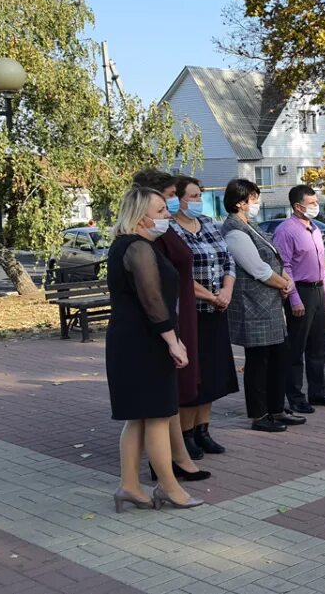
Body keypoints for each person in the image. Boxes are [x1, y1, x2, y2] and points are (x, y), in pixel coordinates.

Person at [106, 187, 203, 512]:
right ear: (141, 217)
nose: (166, 216)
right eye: (160, 211)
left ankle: (130, 486)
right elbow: (153, 301)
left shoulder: (127, 245)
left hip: (130, 341)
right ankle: (169, 487)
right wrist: (173, 341)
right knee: (160, 417)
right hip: (144, 342)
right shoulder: (138, 248)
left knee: (137, 418)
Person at [132, 169, 208, 478]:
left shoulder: (164, 230)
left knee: (175, 392)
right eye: (171, 196)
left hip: (182, 311)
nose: (174, 203)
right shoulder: (148, 238)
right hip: (168, 316)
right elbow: (152, 289)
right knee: (165, 395)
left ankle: (176, 455)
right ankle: (167, 462)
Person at [221, 179, 306, 433]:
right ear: (240, 202)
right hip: (254, 306)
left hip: (269, 304)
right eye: (254, 199)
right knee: (258, 362)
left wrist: (285, 281)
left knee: (278, 357)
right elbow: (256, 268)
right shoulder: (234, 230)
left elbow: (274, 256)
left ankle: (277, 408)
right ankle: (260, 414)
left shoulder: (251, 225)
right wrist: (284, 283)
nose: (257, 203)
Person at [169, 176, 239, 458]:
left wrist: (226, 290)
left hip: (217, 309)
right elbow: (179, 275)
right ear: (178, 198)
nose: (198, 201)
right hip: (191, 313)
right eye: (193, 196)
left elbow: (228, 260)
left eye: (200, 196)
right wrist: (210, 296)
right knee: (192, 375)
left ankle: (204, 430)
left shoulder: (208, 223)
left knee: (213, 374)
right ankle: (186, 435)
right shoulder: (170, 230)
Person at [273, 184, 325, 413]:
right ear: (297, 206)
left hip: (316, 291)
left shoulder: (314, 229)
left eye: (316, 201)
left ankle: (318, 391)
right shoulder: (285, 230)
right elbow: (284, 266)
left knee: (318, 347)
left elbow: (322, 263)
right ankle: (295, 396)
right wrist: (294, 299)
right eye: (311, 203)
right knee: (296, 348)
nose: (316, 206)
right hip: (300, 291)